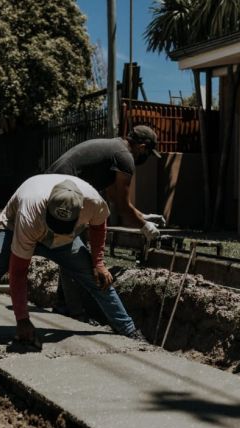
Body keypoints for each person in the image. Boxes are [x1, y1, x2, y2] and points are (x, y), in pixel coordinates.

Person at [0, 174, 141, 370]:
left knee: (98, 279)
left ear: (78, 213)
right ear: (47, 207)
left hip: (65, 242)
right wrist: (22, 319)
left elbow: (99, 223)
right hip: (15, 228)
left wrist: (99, 262)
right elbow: (18, 272)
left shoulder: (93, 202)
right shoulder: (30, 211)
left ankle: (130, 332)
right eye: (54, 222)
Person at [46, 125, 166, 320]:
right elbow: (120, 204)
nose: (146, 157)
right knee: (75, 256)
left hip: (53, 189)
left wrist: (142, 216)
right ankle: (74, 311)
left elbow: (112, 196)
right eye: (148, 153)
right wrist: (144, 227)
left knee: (69, 251)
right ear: (142, 147)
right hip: (63, 196)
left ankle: (63, 304)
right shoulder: (125, 158)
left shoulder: (115, 149)